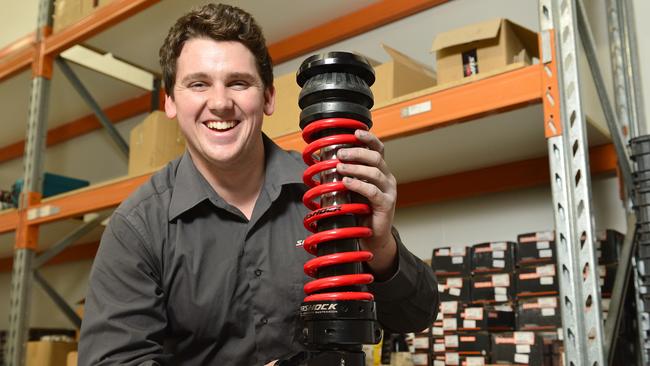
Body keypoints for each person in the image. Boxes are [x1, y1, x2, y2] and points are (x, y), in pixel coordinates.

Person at [78, 3, 438, 365]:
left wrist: (379, 245)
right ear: (170, 100)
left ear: (268, 97)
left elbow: (416, 316)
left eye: (239, 82)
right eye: (198, 84)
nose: (220, 103)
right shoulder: (139, 227)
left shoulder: (328, 190)